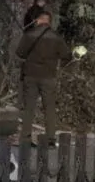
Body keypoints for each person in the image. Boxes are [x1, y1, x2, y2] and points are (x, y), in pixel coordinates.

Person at [16, 10, 71, 141]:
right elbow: (66, 55)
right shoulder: (56, 37)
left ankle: (25, 136)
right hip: (48, 76)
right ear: (49, 21)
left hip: (30, 75)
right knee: (50, 108)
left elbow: (20, 53)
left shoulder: (29, 35)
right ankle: (51, 137)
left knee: (29, 106)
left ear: (38, 20)